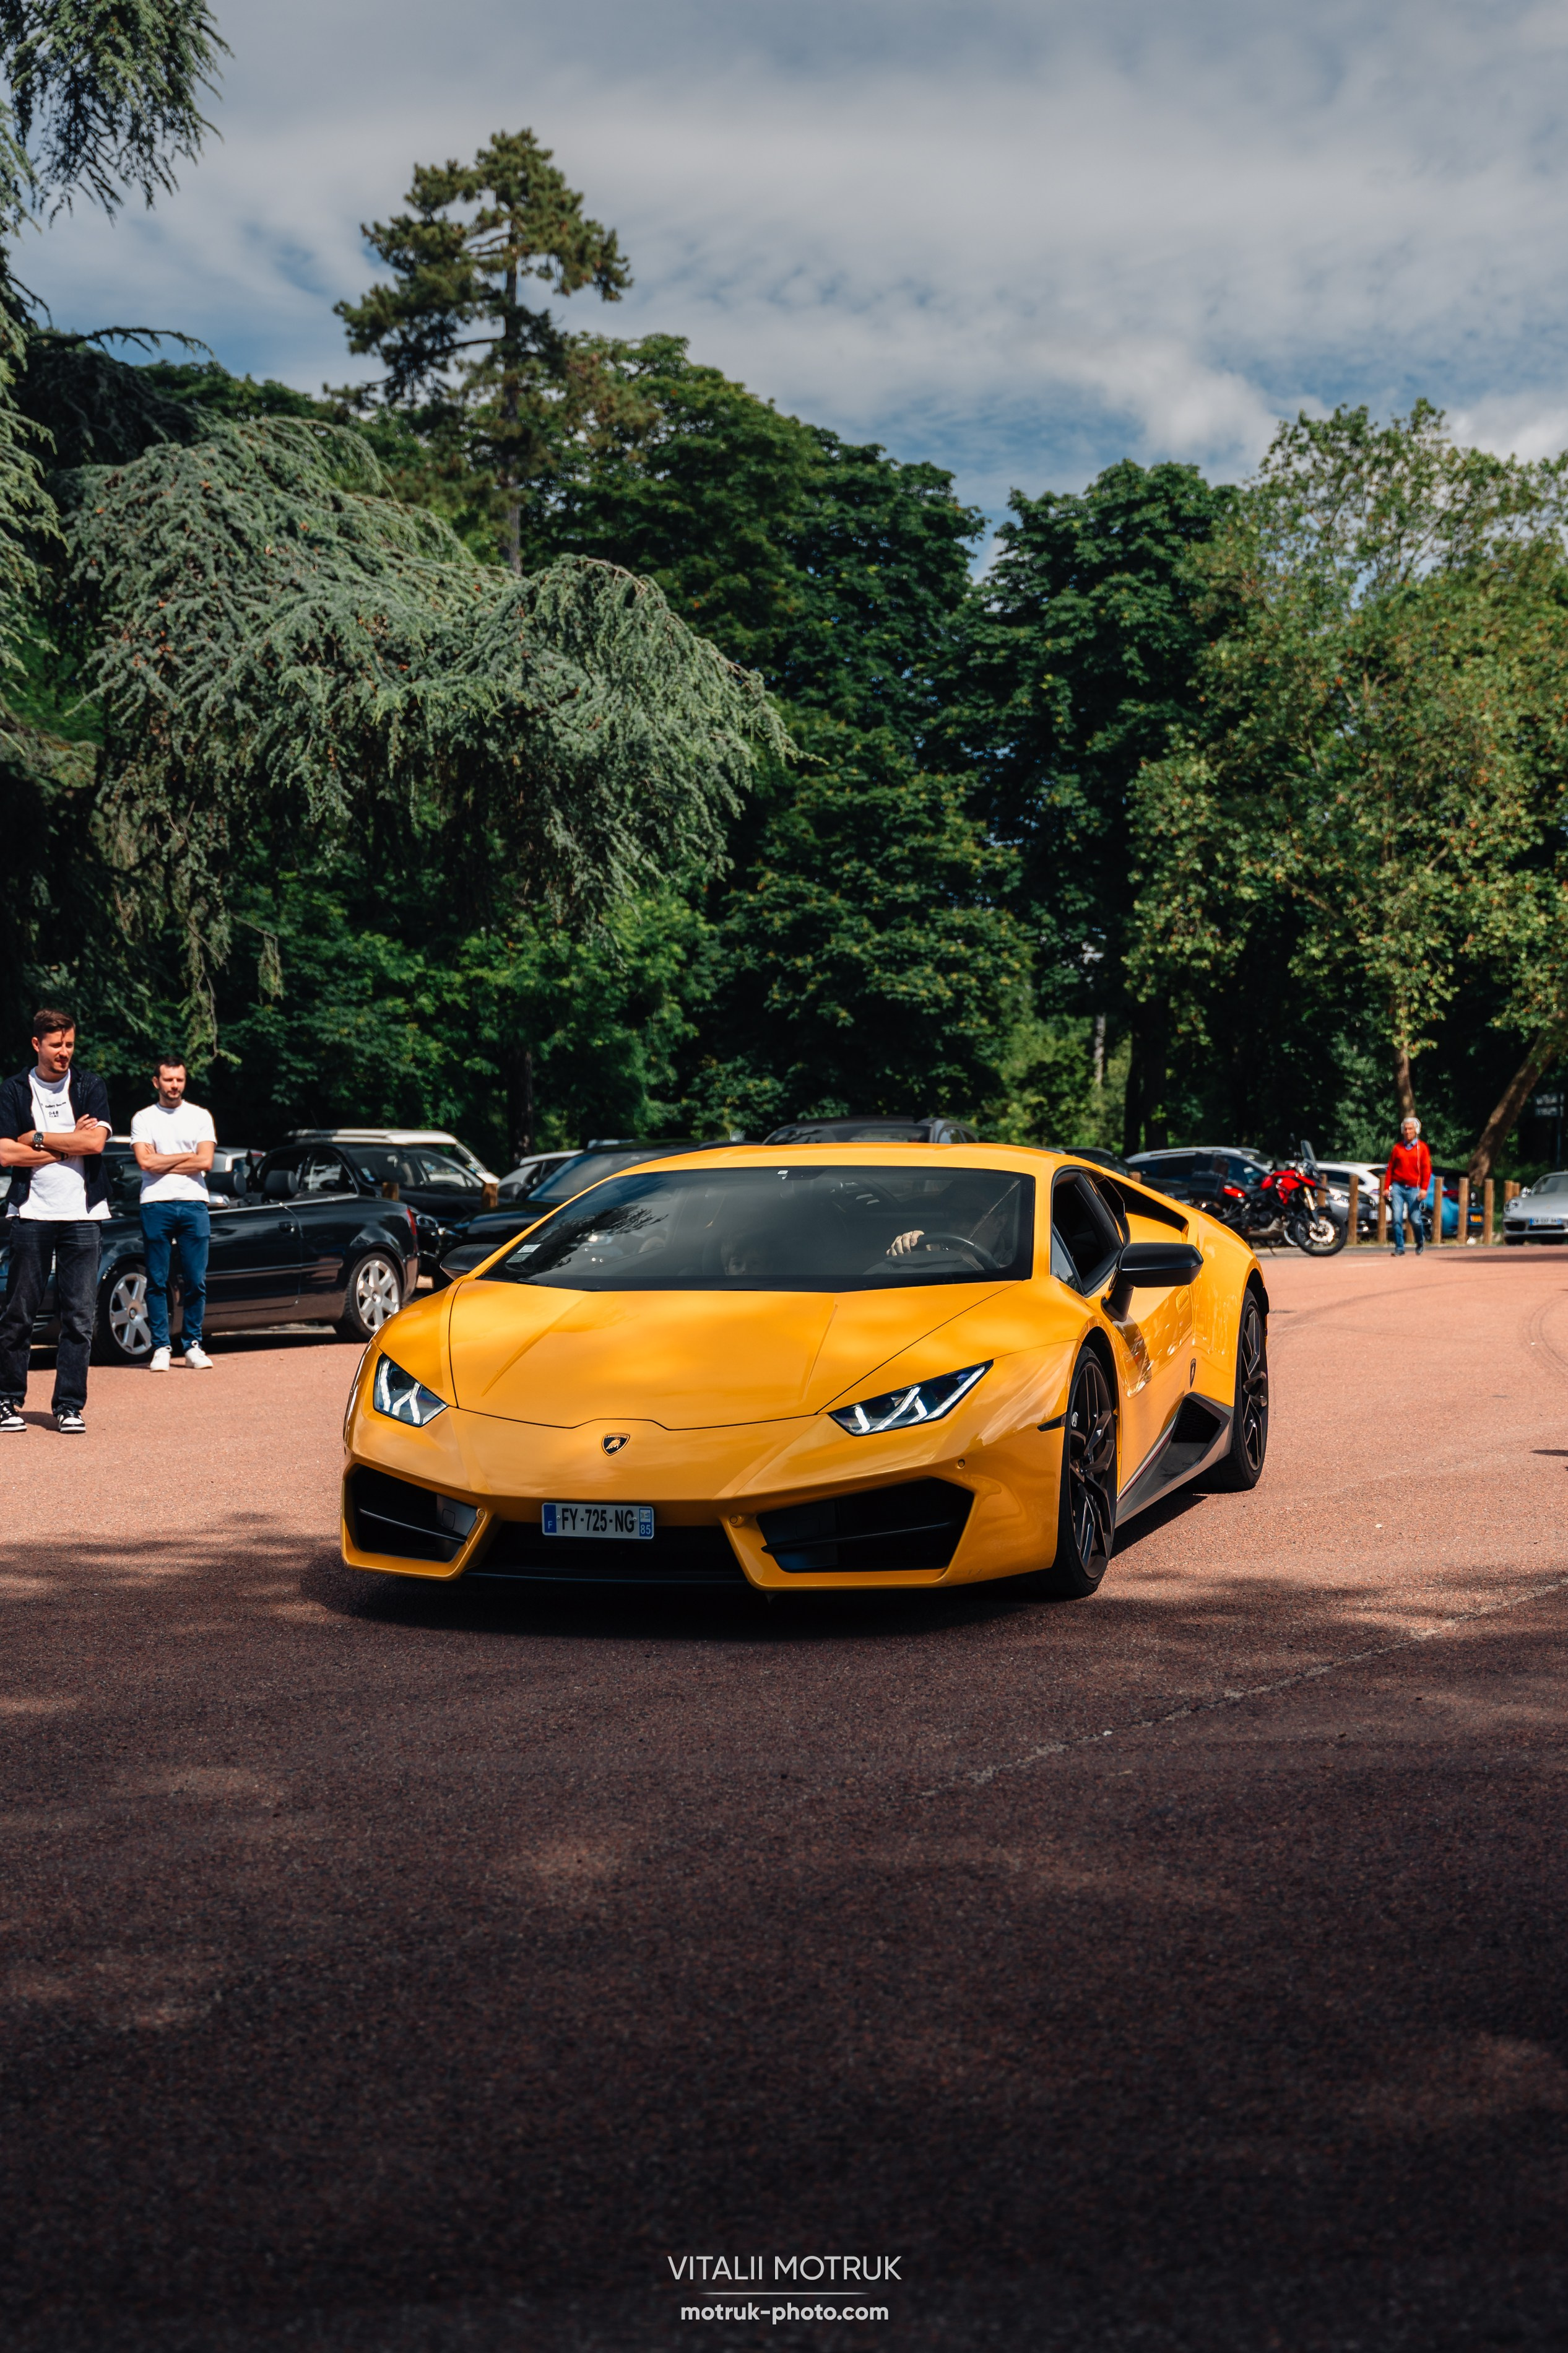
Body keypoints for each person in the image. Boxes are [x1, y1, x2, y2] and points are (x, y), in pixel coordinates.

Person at [0, 1009, 113, 1433]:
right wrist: (71, 1146)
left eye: (69, 1044)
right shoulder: (13, 1090)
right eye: (56, 1045)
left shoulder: (89, 1085)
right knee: (19, 1313)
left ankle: (69, 1405)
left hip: (83, 1215)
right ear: (37, 1045)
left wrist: (40, 1138)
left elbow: (96, 1142)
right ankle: (8, 1401)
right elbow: (6, 1153)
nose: (64, 1052)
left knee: (80, 1316)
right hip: (31, 1213)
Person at [130, 1055, 216, 1370]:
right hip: (155, 1203)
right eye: (168, 1080)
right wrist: (187, 1157)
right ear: (157, 1082)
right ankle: (161, 1347)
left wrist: (164, 1159)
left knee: (196, 1279)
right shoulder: (143, 1118)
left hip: (194, 1203)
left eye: (179, 1079)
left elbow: (205, 1161)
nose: (174, 1085)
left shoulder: (200, 1116)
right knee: (156, 1280)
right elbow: (145, 1163)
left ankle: (193, 1344)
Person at [1384, 1115, 1432, 1256]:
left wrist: (1424, 1188)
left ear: (1416, 1130)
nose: (1408, 1131)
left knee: (1415, 1219)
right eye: (1405, 1129)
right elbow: (1390, 1168)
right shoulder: (1397, 1148)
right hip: (1398, 1187)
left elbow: (1426, 1169)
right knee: (1397, 1218)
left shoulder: (1422, 1148)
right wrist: (1387, 1187)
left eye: (1410, 1129)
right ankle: (1400, 1247)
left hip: (1414, 1188)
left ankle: (1420, 1241)